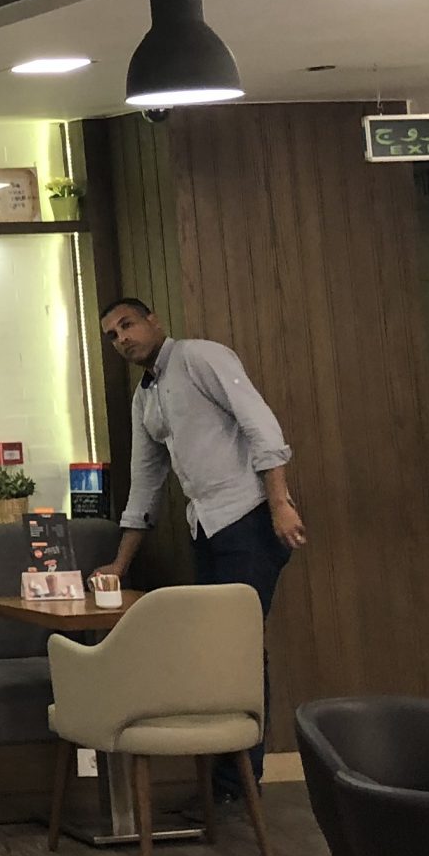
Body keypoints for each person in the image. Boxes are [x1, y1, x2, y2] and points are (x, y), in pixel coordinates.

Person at [94, 298, 307, 807]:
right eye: (112, 335)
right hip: (206, 527)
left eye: (128, 325)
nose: (122, 339)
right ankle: (225, 784)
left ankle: (239, 785)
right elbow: (145, 483)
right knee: (216, 649)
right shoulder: (145, 398)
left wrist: (280, 504)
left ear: (154, 321)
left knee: (237, 645)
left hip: (249, 517)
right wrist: (120, 564)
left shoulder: (199, 357)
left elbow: (260, 423)